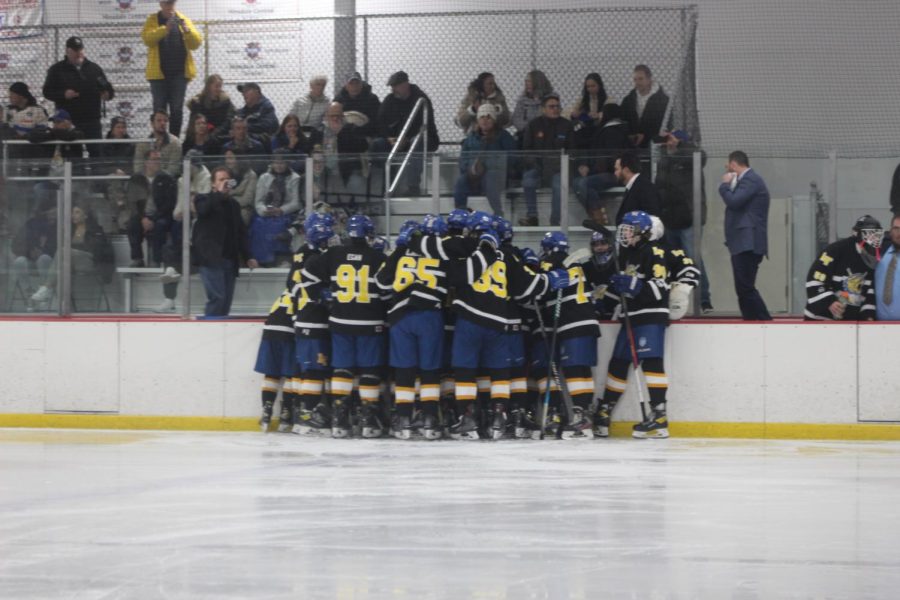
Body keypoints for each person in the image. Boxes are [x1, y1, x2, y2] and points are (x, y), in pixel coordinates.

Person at [375, 215, 498, 439]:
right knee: (429, 370)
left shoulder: (403, 249)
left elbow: (381, 282)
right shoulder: (444, 251)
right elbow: (461, 277)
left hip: (400, 315)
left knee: (405, 370)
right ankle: (429, 418)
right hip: (430, 314)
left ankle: (403, 418)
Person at [300, 215, 388, 438]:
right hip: (370, 322)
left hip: (340, 322)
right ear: (368, 233)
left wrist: (323, 297)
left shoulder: (334, 254)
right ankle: (368, 421)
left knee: (342, 369)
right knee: (369, 370)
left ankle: (340, 419)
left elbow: (307, 276)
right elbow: (388, 291)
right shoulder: (378, 257)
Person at [254, 213, 333, 433]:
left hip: (276, 318)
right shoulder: (316, 257)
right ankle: (294, 412)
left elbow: (293, 284)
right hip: (296, 319)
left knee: (275, 371)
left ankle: (272, 411)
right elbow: (304, 288)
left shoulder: (301, 253)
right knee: (297, 370)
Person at [597, 210, 672, 439]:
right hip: (631, 316)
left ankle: (659, 416)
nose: (625, 233)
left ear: (642, 232)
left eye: (629, 229)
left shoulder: (655, 252)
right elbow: (624, 289)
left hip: (650, 314)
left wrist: (634, 286)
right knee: (618, 363)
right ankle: (605, 410)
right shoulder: (629, 255)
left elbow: (660, 287)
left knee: (651, 363)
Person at [530, 231, 602, 439]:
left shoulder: (551, 262)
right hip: (588, 322)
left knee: (574, 371)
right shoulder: (575, 265)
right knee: (582, 370)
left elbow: (538, 289)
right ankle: (585, 417)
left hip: (573, 323)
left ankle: (581, 420)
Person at [655, 129, 712, 312]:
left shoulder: (691, 156)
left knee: (693, 257)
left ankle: (703, 300)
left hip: (689, 217)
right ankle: (674, 299)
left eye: (671, 139)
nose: (668, 143)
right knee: (672, 259)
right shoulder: (664, 161)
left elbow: (700, 156)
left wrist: (680, 145)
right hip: (670, 218)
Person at [193, 166, 258, 317]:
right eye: (221, 179)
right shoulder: (202, 198)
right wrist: (219, 194)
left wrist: (248, 256)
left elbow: (241, 233)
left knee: (226, 301)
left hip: (229, 259)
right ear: (213, 184)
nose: (225, 182)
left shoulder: (234, 205)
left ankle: (219, 332)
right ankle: (210, 331)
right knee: (218, 298)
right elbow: (203, 211)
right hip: (210, 259)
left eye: (227, 180)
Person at [154, 150, 211, 313]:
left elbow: (201, 209)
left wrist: (190, 207)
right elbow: (180, 206)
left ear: (195, 166)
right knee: (174, 231)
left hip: (202, 224)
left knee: (175, 252)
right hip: (186, 222)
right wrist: (178, 213)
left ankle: (171, 278)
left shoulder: (207, 179)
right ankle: (169, 298)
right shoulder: (181, 180)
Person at [719, 150, 772, 320]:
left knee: (745, 286)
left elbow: (734, 201)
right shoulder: (748, 181)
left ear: (734, 164)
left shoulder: (751, 180)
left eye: (728, 166)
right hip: (743, 242)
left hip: (748, 242)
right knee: (743, 287)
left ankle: (764, 320)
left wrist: (725, 185)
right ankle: (751, 319)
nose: (727, 170)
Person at [30, 205, 114, 309]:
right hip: (70, 261)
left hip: (90, 261)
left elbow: (98, 250)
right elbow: (55, 247)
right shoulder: (70, 229)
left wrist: (76, 251)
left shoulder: (95, 229)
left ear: (86, 215)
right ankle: (58, 300)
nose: (73, 215)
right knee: (49, 260)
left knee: (64, 252)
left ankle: (47, 288)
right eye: (72, 212)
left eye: (77, 212)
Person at [371, 71, 440, 196]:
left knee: (417, 141)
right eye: (392, 86)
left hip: (420, 140)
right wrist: (389, 138)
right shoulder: (390, 100)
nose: (393, 89)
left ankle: (413, 186)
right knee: (378, 144)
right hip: (396, 140)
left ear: (405, 84)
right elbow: (380, 122)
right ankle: (384, 187)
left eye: (395, 86)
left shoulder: (421, 99)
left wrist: (406, 139)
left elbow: (425, 126)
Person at [141, 0, 203, 137]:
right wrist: (165, 29)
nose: (170, 6)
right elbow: (147, 39)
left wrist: (187, 31)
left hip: (179, 75)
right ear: (161, 4)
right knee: (159, 110)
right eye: (167, 3)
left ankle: (174, 141)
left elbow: (196, 43)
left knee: (176, 109)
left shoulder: (183, 19)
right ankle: (158, 140)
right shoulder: (152, 20)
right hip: (158, 76)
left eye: (172, 3)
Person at [804, 215, 882, 321]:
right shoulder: (834, 251)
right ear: (857, 234)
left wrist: (868, 316)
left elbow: (869, 293)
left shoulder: (873, 259)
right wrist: (830, 301)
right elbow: (814, 280)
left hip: (849, 326)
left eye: (876, 234)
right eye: (869, 234)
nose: (873, 239)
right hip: (819, 321)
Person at [42, 36, 114, 144]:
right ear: (67, 51)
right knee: (72, 154)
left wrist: (107, 94)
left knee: (96, 151)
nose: (78, 53)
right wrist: (63, 94)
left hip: (91, 120)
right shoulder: (57, 70)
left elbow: (106, 87)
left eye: (80, 50)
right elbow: (47, 92)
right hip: (68, 121)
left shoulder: (94, 69)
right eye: (75, 50)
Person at [520, 92, 573, 227]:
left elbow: (572, 150)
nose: (555, 109)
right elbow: (527, 149)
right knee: (528, 180)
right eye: (551, 106)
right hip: (538, 168)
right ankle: (532, 217)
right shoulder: (533, 125)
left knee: (558, 185)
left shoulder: (566, 126)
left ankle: (555, 222)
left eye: (557, 106)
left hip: (558, 169)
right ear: (543, 109)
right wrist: (536, 164)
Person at [453, 104, 515, 216]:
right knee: (461, 181)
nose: (485, 120)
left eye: (488, 117)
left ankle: (498, 213)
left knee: (490, 179)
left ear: (494, 120)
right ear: (478, 120)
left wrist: (486, 166)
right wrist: (471, 170)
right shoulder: (471, 138)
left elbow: (512, 159)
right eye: (482, 117)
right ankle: (461, 213)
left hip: (497, 178)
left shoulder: (504, 137)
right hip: (474, 178)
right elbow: (463, 160)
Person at [574, 102, 630, 225]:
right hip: (604, 172)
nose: (599, 115)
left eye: (602, 112)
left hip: (613, 173)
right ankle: (597, 214)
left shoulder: (612, 132)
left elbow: (608, 159)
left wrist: (592, 170)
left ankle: (600, 219)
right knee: (577, 183)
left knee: (584, 183)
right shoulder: (608, 131)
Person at [250, 149, 302, 266]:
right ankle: (261, 261)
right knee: (258, 225)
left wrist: (281, 210)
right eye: (276, 162)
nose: (278, 165)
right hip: (266, 214)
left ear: (287, 163)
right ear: (272, 163)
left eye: (282, 162)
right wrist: (264, 211)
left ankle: (280, 260)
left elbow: (296, 202)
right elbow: (258, 201)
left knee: (277, 227)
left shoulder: (295, 178)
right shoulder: (264, 177)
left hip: (285, 214)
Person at [318, 102, 369, 204]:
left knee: (357, 182)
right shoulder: (320, 131)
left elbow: (363, 146)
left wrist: (341, 132)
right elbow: (311, 149)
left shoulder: (352, 128)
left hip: (348, 172)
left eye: (338, 116)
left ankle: (359, 211)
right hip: (324, 172)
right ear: (327, 116)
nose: (335, 118)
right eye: (332, 116)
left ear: (343, 116)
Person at [10, 197, 57, 302]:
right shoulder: (32, 224)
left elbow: (63, 246)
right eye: (51, 210)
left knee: (43, 258)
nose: (53, 212)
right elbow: (16, 244)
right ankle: (28, 292)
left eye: (55, 210)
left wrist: (45, 252)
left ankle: (46, 290)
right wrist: (30, 251)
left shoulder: (62, 224)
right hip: (31, 259)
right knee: (19, 261)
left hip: (53, 263)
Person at [620, 64, 669, 149]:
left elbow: (665, 124)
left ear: (649, 79)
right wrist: (630, 135)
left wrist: (645, 135)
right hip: (633, 148)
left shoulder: (663, 100)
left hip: (655, 146)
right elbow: (623, 119)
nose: (637, 82)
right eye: (635, 79)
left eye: (640, 79)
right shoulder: (628, 100)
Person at [185, 74, 235, 143]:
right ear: (209, 87)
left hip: (220, 133)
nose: (219, 89)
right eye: (216, 86)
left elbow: (228, 120)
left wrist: (216, 132)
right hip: (202, 132)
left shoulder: (225, 101)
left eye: (220, 86)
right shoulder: (198, 102)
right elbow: (194, 121)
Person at [614, 151, 660, 225]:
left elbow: (652, 215)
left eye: (616, 169)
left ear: (626, 170)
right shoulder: (634, 186)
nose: (615, 173)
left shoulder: (644, 187)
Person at [133, 110, 183, 179]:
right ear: (152, 124)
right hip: (146, 182)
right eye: (159, 120)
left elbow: (174, 169)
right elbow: (138, 168)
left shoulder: (175, 143)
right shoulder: (142, 144)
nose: (163, 123)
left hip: (167, 183)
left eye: (165, 121)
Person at [333, 71, 381, 138]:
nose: (354, 86)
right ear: (346, 86)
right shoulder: (339, 100)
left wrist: (361, 129)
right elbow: (333, 118)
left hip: (366, 134)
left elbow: (377, 120)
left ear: (361, 84)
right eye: (351, 84)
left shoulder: (372, 99)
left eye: (357, 83)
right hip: (344, 133)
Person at [568, 72, 608, 149]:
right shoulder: (582, 100)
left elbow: (610, 113)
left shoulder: (607, 99)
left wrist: (598, 115)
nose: (590, 89)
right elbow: (572, 112)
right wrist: (575, 114)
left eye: (593, 86)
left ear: (599, 86)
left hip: (601, 130)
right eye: (588, 87)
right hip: (585, 131)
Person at [511, 70, 553, 141]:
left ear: (538, 82)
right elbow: (516, 119)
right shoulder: (522, 100)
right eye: (526, 81)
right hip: (526, 133)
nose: (526, 84)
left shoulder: (551, 99)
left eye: (529, 81)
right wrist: (530, 129)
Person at [224, 148, 258, 225]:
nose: (227, 161)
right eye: (226, 158)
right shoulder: (228, 174)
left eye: (230, 158)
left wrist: (229, 198)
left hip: (243, 211)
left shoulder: (251, 175)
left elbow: (247, 200)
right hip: (227, 208)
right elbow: (223, 195)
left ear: (239, 159)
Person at [876, 213, 900, 320]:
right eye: (896, 228)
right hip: (876, 325)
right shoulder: (878, 252)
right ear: (890, 231)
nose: (899, 233)